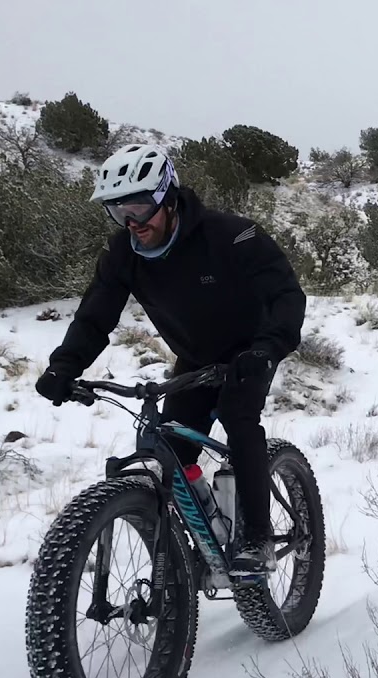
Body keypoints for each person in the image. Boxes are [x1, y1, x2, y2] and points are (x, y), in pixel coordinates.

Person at [35, 143, 307, 579]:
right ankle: (189, 547)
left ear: (167, 196)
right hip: (195, 359)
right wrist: (63, 368)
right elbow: (95, 315)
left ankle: (256, 537)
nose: (131, 222)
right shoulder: (122, 254)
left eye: (140, 207)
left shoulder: (231, 235)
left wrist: (267, 349)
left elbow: (286, 295)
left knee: (240, 420)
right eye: (117, 211)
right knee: (169, 453)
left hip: (249, 353)